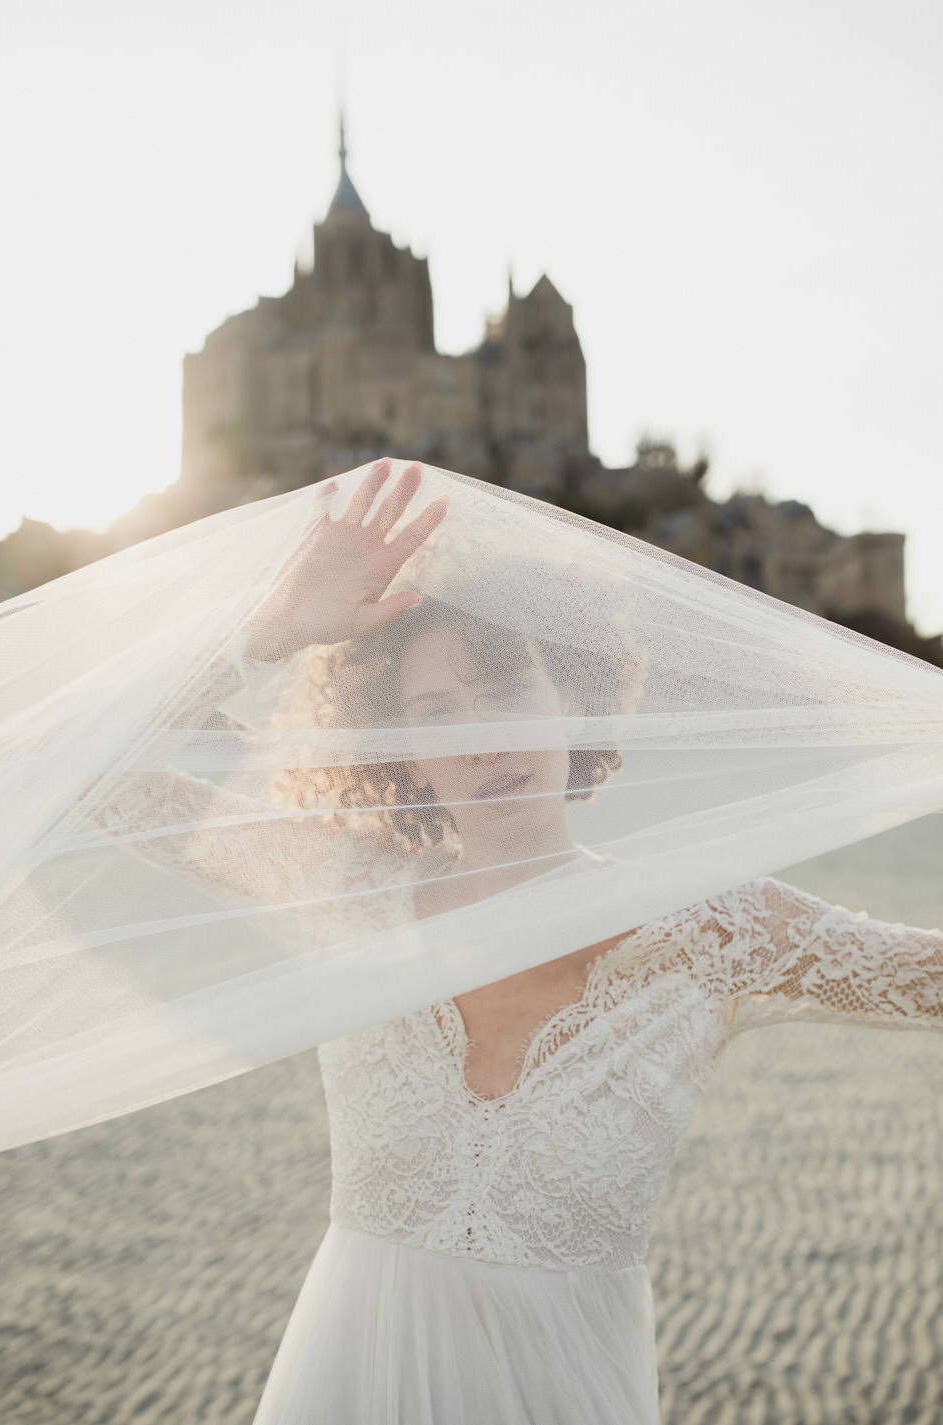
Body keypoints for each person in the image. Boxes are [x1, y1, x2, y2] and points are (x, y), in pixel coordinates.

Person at [83, 458, 943, 1424]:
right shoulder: (347, 892)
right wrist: (274, 631)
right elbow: (95, 774)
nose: (481, 741)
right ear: (397, 750)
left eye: (503, 688)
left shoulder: (713, 929)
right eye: (433, 716)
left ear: (574, 696)